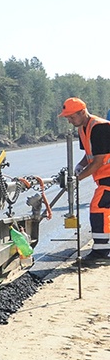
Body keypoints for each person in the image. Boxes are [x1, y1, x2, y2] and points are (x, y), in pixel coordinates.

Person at [59, 97, 110, 264]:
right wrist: (78, 167)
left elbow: (98, 160)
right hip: (103, 177)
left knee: (98, 208)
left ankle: (101, 251)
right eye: (67, 117)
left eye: (71, 116)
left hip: (108, 177)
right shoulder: (82, 129)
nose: (69, 120)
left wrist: (77, 178)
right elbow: (89, 155)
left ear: (82, 112)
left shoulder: (100, 127)